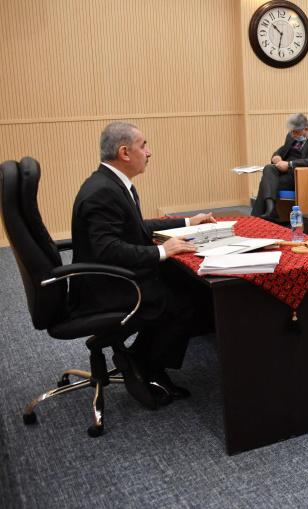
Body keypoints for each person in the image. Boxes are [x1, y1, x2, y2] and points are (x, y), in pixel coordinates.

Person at [70, 122, 217, 409]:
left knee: (184, 285)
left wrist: (188, 221)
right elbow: (107, 250)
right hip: (105, 288)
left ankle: (142, 358)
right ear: (124, 152)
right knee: (188, 299)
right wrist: (162, 250)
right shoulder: (103, 192)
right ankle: (148, 366)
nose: (149, 153)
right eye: (143, 146)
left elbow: (136, 227)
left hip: (111, 278)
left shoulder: (111, 183)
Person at [251, 113, 308, 219]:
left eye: (296, 132)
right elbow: (282, 149)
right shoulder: (291, 136)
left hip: (297, 175)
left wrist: (290, 164)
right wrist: (276, 156)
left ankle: (262, 214)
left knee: (266, 183)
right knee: (268, 168)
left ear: (306, 129)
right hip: (283, 171)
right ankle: (270, 209)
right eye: (291, 131)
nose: (293, 134)